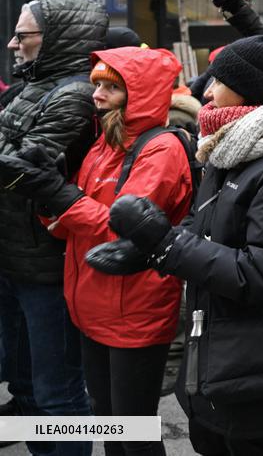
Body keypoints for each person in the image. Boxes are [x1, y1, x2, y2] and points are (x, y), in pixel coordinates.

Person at [91, 35, 263, 456]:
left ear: (247, 89)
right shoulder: (227, 150)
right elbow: (208, 232)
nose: (207, 89)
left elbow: (260, 273)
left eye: (219, 79)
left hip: (257, 361)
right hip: (217, 349)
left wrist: (164, 244)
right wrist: (151, 248)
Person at [0, 48, 193, 456]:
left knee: (133, 432)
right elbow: (77, 216)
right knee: (109, 421)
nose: (97, 95)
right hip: (93, 305)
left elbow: (121, 227)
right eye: (97, 85)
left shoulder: (162, 149)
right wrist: (45, 200)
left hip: (134, 311)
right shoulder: (105, 141)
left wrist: (58, 193)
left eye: (111, 87)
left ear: (138, 94)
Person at [0, 0, 107, 456]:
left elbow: (17, 168)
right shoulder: (33, 85)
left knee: (58, 395)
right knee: (25, 386)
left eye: (22, 35)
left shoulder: (77, 95)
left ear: (57, 38)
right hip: (15, 260)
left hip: (48, 267)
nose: (12, 44)